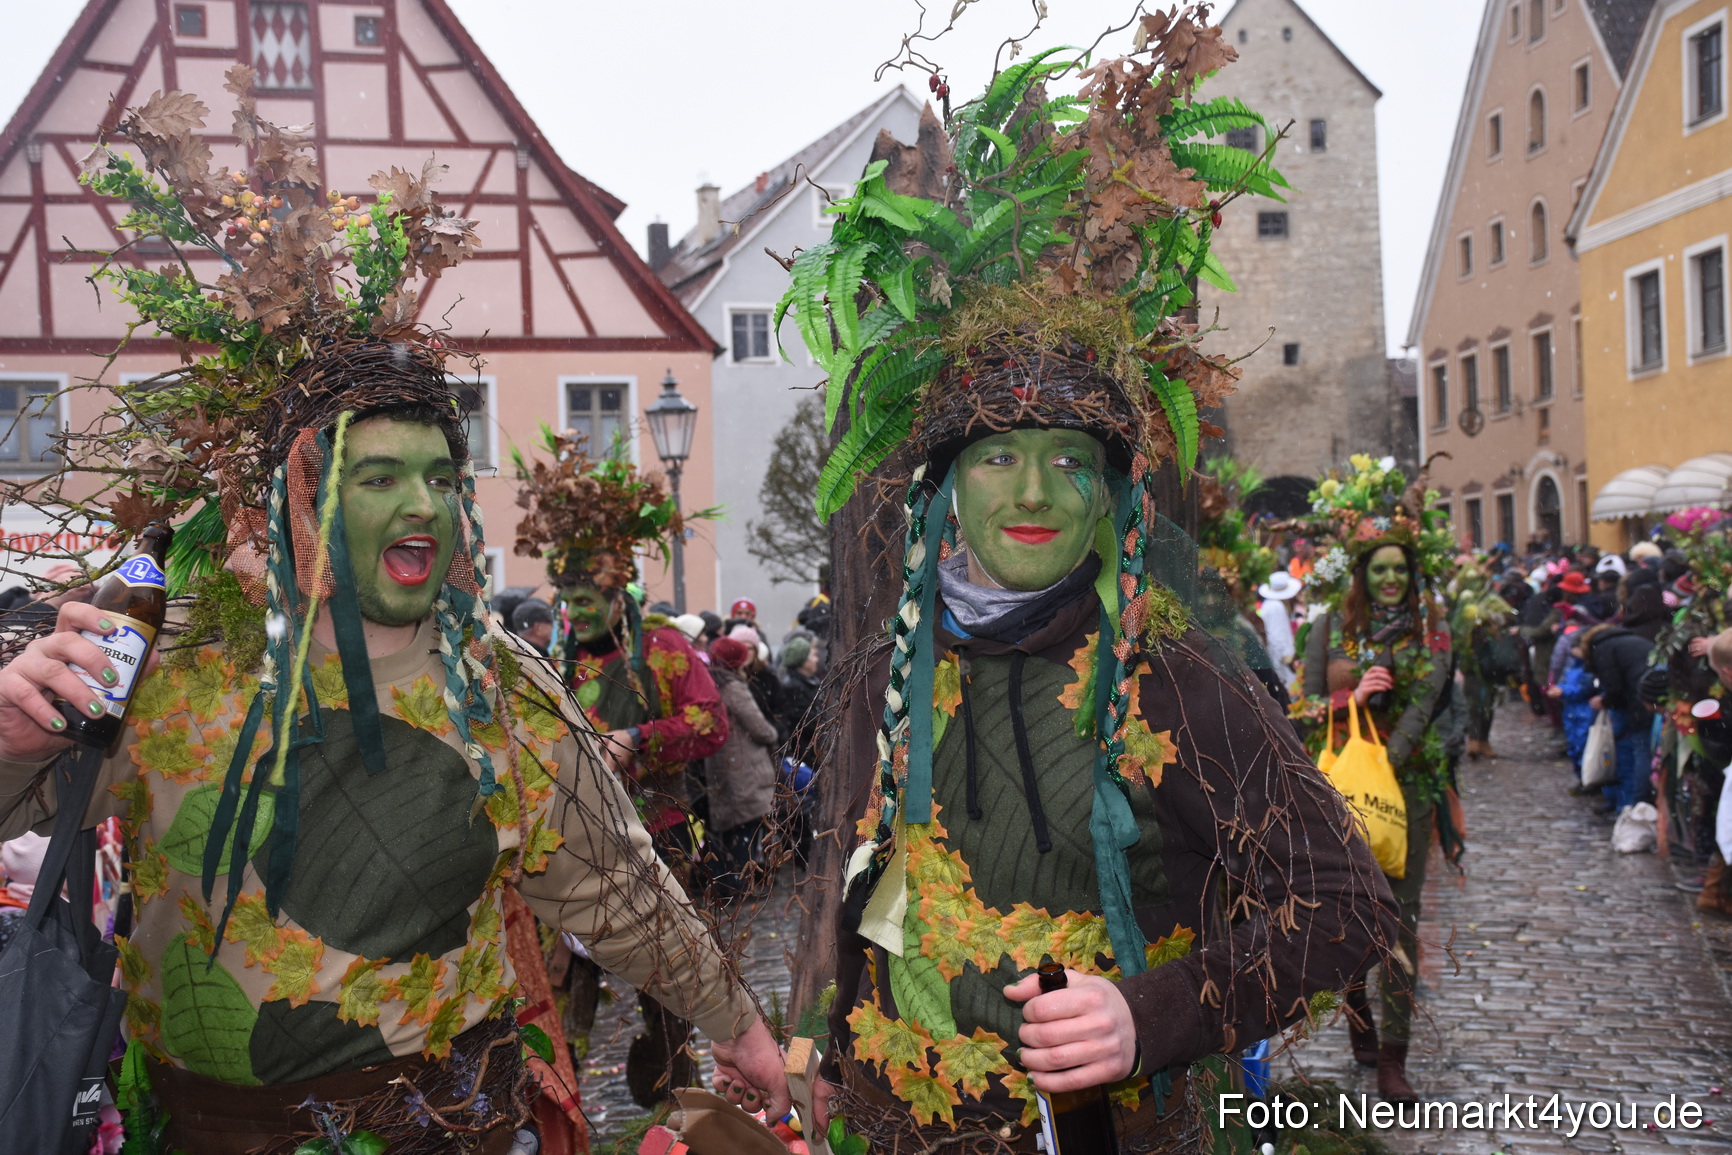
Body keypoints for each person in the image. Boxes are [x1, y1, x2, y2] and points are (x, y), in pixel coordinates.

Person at [0, 90, 786, 1153]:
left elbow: (612, 882)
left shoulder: (498, 685)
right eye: (379, 476)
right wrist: (10, 741)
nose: (423, 504)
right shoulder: (165, 652)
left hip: (445, 1127)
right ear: (296, 498)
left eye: (439, 475)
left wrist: (735, 1021)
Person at [781, 21, 1397, 1146]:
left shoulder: (1177, 679)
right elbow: (849, 880)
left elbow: (1345, 907)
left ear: (1115, 498)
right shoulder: (883, 673)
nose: (1035, 491)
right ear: (944, 496)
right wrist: (811, 1043)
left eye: (1072, 461)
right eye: (997, 458)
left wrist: (1146, 1016)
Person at [515, 434, 736, 1108]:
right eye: (568, 600)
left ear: (619, 595)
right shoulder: (566, 664)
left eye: (589, 600)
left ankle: (683, 1104)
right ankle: (565, 1108)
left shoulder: (664, 649)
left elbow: (711, 721)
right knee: (561, 991)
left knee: (665, 987)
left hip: (656, 842)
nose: (576, 613)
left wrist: (636, 738)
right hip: (574, 846)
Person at [1296, 456, 1458, 1103]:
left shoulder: (1434, 627)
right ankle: (1358, 1007)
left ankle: (1395, 1056)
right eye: (1380, 567)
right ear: (1363, 573)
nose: (1391, 577)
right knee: (1349, 911)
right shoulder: (1329, 627)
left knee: (1401, 918)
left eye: (1401, 568)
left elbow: (1429, 695)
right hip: (1342, 788)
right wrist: (1351, 698)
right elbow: (1303, 707)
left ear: (1413, 573)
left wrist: (1393, 753)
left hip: (1409, 791)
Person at [703, 636, 779, 900]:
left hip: (721, 765)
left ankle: (726, 882)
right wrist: (773, 734)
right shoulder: (733, 687)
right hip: (742, 766)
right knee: (745, 828)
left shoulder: (709, 682)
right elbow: (757, 725)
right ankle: (739, 886)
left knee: (730, 829)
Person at [1582, 619, 1657, 815]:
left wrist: (1605, 702)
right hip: (1653, 695)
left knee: (1638, 753)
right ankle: (1638, 803)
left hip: (1640, 702)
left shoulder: (1604, 649)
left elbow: (1614, 689)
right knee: (1646, 752)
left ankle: (1635, 806)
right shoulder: (1631, 640)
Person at [1256, 571, 1302, 689]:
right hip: (1281, 662)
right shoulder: (1276, 607)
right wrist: (1288, 656)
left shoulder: (1271, 605)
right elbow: (1277, 636)